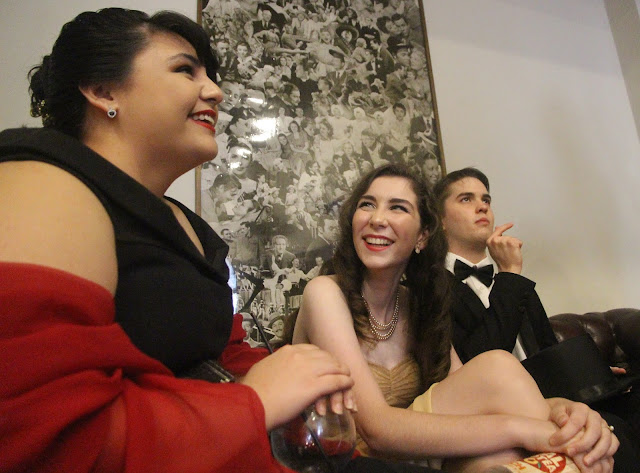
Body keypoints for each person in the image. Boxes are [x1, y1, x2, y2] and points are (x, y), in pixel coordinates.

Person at [0, 9, 442, 473]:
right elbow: (47, 437)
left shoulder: (186, 225)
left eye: (209, 76)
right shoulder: (41, 184)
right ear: (103, 90)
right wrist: (256, 400)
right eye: (184, 70)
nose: (214, 91)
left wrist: (299, 377)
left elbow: (219, 353)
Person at [291, 164, 618, 472]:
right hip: (352, 460)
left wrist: (560, 410)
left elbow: (473, 387)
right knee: (500, 375)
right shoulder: (325, 293)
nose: (377, 219)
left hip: (415, 454)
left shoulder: (419, 303)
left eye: (397, 208)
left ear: (422, 236)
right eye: (367, 205)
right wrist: (530, 430)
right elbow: (376, 430)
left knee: (502, 445)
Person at [433, 167, 640, 467]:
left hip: (558, 396)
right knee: (611, 431)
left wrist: (593, 374)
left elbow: (547, 350)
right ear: (440, 220)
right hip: (502, 413)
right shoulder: (434, 287)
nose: (482, 207)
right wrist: (510, 274)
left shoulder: (515, 285)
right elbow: (484, 361)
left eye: (486, 199)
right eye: (466, 199)